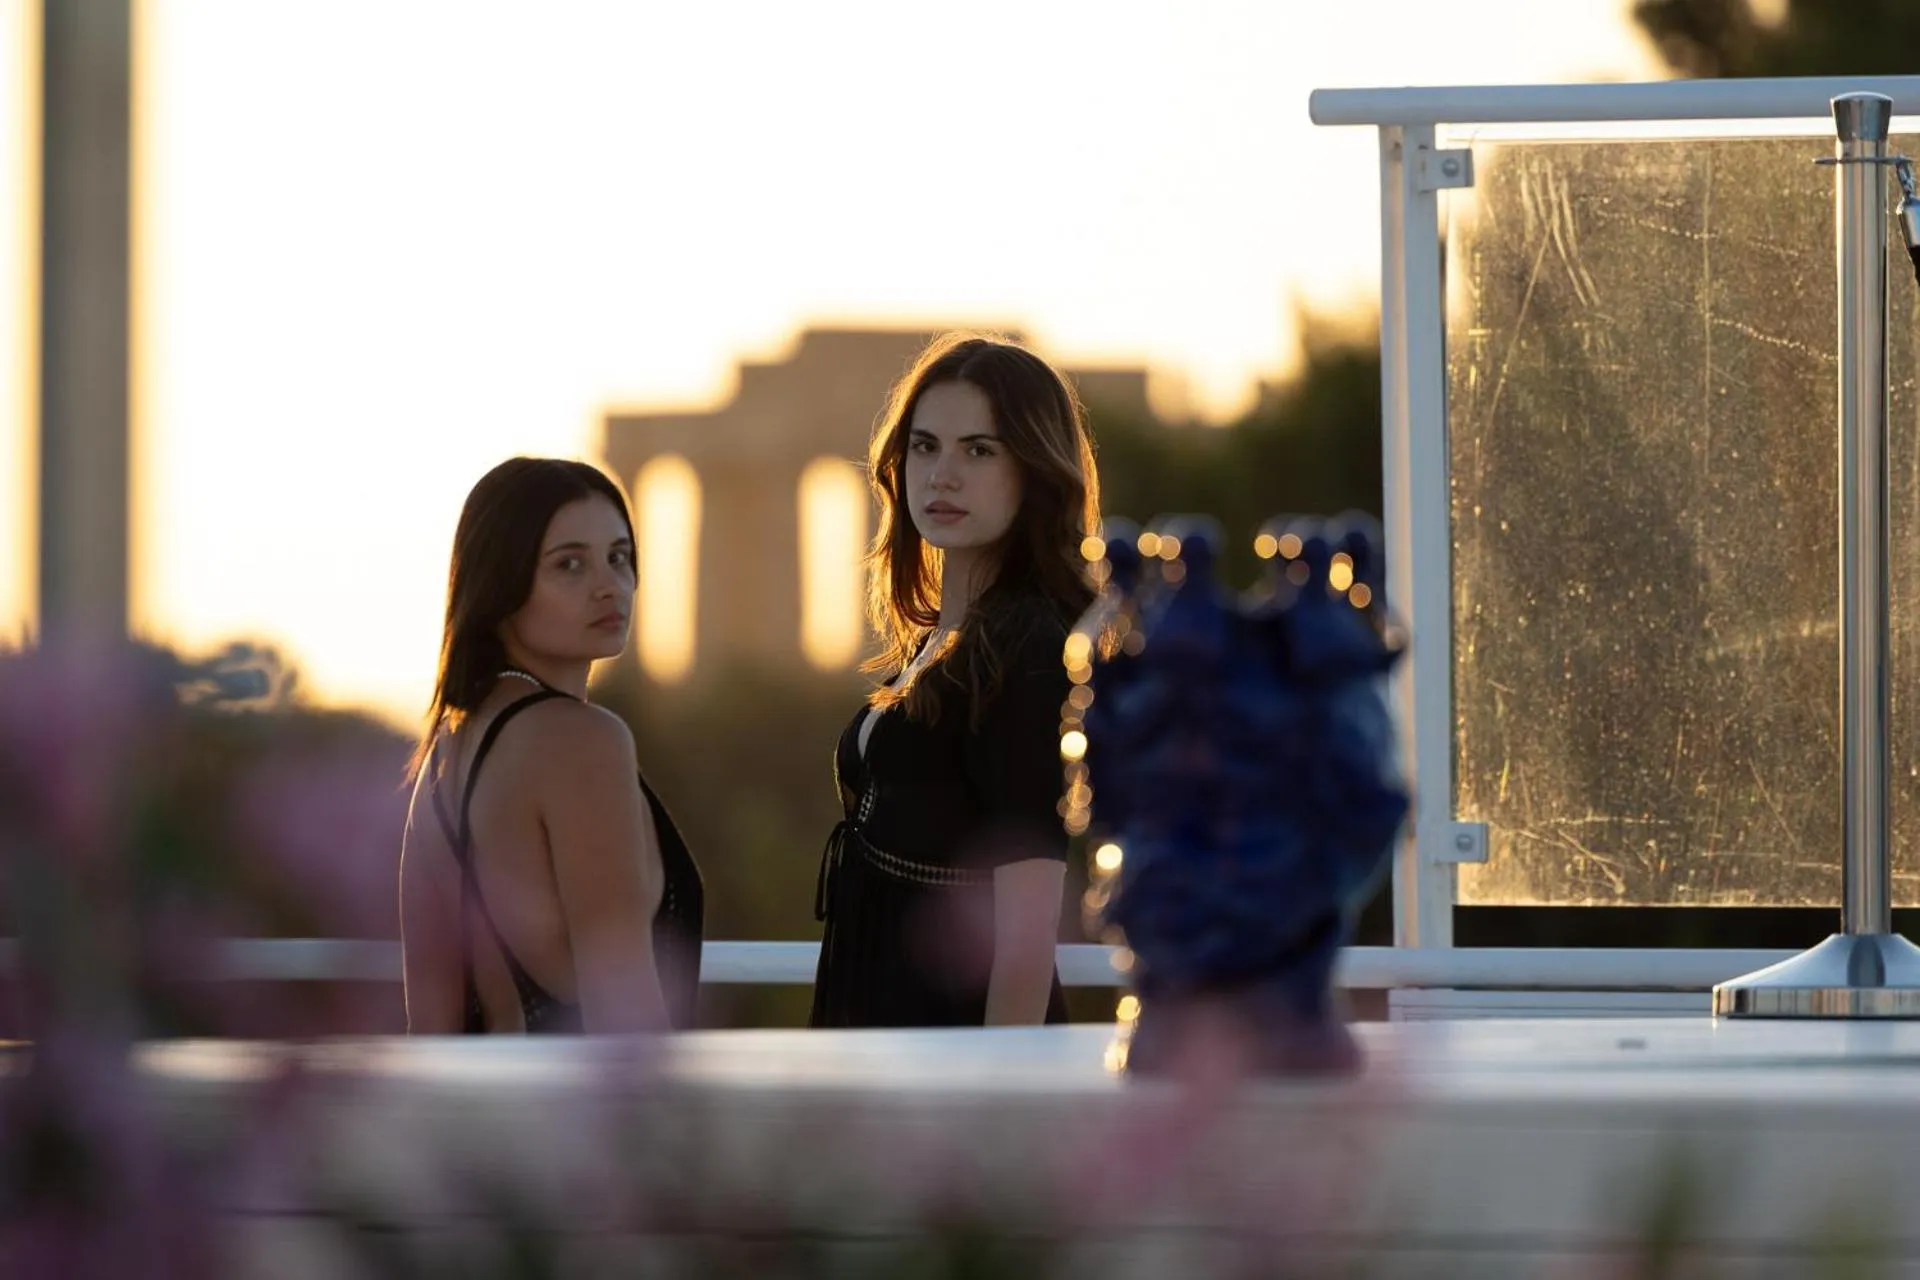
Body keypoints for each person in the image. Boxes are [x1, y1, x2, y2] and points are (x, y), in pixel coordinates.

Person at [810, 333, 1099, 1028]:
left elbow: (1028, 932)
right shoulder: (939, 642)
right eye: (925, 446)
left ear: (1034, 470)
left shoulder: (1030, 650)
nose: (941, 475)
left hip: (952, 1055)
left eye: (979, 450)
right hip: (885, 1033)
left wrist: (991, 1108)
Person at [400, 457, 703, 1034]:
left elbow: (430, 1028)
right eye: (569, 564)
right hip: (584, 1119)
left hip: (475, 1117)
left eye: (619, 558)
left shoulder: (444, 753)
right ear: (501, 584)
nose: (608, 587)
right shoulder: (583, 741)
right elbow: (626, 1012)